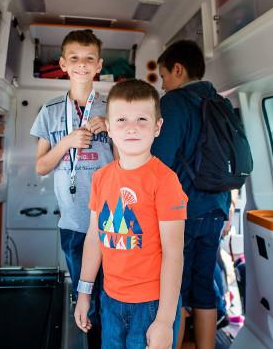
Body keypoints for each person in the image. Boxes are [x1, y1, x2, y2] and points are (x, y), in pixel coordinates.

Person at [74, 79, 187, 349]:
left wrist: (164, 321)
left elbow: (174, 254)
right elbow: (94, 238)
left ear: (157, 127)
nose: (131, 127)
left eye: (142, 119)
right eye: (122, 119)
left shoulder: (165, 181)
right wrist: (84, 293)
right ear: (109, 128)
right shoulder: (101, 178)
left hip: (151, 304)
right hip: (110, 299)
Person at [151, 40, 239, 349]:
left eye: (164, 76)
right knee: (203, 288)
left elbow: (159, 162)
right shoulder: (220, 102)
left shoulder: (174, 103)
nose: (163, 84)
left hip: (183, 212)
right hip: (217, 208)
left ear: (178, 69)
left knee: (174, 289)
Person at [30, 29, 114, 349]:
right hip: (74, 223)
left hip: (112, 221)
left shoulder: (113, 108)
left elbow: (130, 163)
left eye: (89, 58)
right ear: (63, 64)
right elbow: (41, 166)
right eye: (75, 58)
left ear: (99, 65)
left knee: (113, 298)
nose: (82, 64)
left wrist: (112, 128)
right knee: (86, 299)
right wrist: (66, 142)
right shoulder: (50, 110)